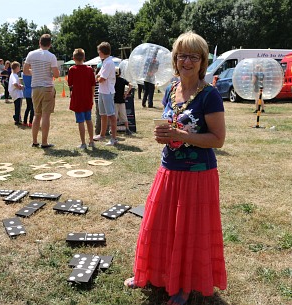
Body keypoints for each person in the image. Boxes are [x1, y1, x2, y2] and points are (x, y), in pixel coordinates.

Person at [125, 31, 227, 305]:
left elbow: (218, 140)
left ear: (203, 61)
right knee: (158, 224)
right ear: (175, 59)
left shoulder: (210, 95)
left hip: (198, 175)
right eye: (182, 55)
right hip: (168, 169)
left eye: (194, 56)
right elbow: (171, 124)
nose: (187, 61)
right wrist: (164, 135)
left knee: (188, 232)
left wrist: (182, 137)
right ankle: (148, 273)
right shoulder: (171, 89)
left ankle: (182, 287)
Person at [23, 33, 60, 148]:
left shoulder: (31, 54)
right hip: (47, 87)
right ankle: (44, 142)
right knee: (46, 116)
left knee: (36, 115)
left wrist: (34, 73)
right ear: (50, 44)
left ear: (39, 43)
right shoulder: (51, 56)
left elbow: (25, 70)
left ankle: (34, 141)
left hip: (35, 88)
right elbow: (56, 74)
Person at [67, 48, 96, 149]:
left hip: (77, 98)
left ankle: (83, 143)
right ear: (84, 58)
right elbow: (93, 84)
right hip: (87, 98)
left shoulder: (72, 69)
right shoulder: (89, 69)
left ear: (73, 58)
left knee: (80, 121)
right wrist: (91, 97)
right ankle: (91, 141)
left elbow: (70, 84)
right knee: (89, 120)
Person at [93, 42, 118, 146]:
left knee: (111, 115)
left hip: (108, 91)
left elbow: (101, 78)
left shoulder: (108, 63)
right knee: (102, 114)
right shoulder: (105, 62)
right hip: (102, 91)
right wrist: (98, 77)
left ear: (102, 52)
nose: (98, 53)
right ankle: (102, 135)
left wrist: (97, 77)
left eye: (99, 51)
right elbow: (98, 76)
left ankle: (113, 138)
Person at [114, 67, 133, 135]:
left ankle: (113, 130)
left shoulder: (112, 80)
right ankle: (127, 129)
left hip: (114, 101)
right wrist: (126, 93)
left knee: (114, 117)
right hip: (121, 100)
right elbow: (130, 85)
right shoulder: (122, 80)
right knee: (124, 116)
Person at [8, 61, 24, 125]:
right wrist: (19, 87)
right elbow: (14, 83)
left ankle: (17, 117)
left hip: (15, 94)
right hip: (17, 94)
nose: (20, 68)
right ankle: (17, 119)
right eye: (19, 67)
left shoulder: (13, 75)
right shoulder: (14, 75)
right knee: (18, 107)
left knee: (17, 106)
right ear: (17, 67)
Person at [94, 63, 102, 135]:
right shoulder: (99, 77)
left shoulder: (95, 77)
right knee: (102, 115)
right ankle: (102, 131)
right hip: (100, 97)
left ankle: (97, 130)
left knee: (98, 115)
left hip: (96, 98)